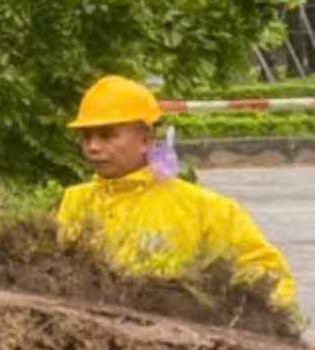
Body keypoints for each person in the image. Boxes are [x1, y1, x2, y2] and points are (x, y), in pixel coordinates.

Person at [58, 74, 296, 308]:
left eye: (107, 135)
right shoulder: (76, 202)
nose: (93, 147)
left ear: (145, 140)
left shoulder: (204, 209)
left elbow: (269, 276)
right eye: (86, 137)